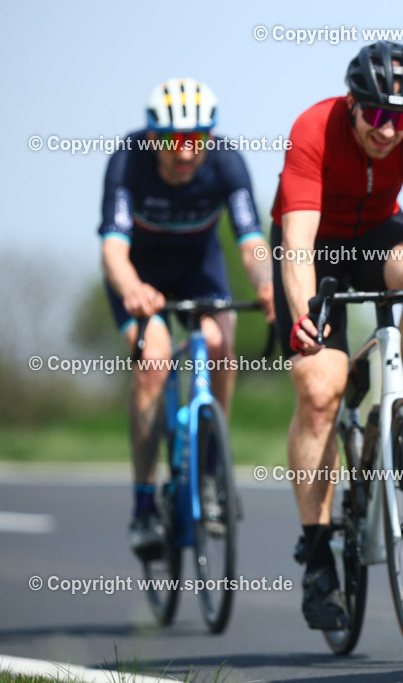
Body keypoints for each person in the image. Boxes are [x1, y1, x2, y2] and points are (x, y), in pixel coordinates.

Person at [272, 41, 403, 630]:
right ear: (353, 104)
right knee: (320, 389)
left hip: (379, 233)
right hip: (316, 246)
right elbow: (298, 244)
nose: (388, 131)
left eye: (400, 119)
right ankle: (316, 555)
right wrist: (303, 313)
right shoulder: (314, 127)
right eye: (376, 116)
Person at [99, 77, 274, 559]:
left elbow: (250, 237)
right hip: (141, 276)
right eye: (173, 141)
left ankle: (213, 472)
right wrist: (133, 289)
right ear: (152, 137)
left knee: (221, 343)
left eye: (196, 140)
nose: (184, 153)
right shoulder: (129, 159)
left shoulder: (226, 161)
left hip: (198, 268)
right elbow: (113, 247)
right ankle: (142, 503)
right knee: (153, 359)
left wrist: (265, 284)